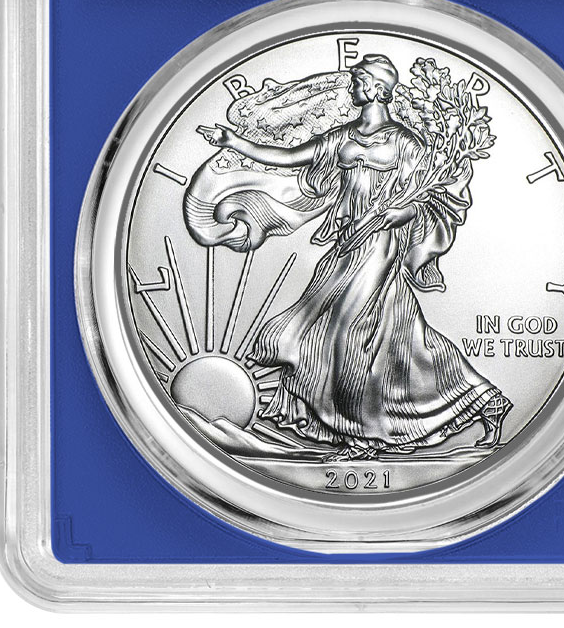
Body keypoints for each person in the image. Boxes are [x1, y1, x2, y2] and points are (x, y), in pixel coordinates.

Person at [196, 54, 511, 460]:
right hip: (347, 243)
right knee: (395, 337)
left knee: (348, 331)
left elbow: (429, 196)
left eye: (360, 81)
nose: (353, 87)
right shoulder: (342, 136)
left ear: (378, 89)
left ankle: (360, 436)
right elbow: (288, 157)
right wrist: (233, 142)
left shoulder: (405, 143)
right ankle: (485, 401)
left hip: (381, 242)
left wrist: (402, 212)